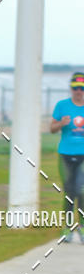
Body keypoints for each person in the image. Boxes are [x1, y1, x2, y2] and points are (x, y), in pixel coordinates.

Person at [50, 71, 84, 242]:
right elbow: (51, 128)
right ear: (71, 88)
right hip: (65, 154)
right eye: (75, 88)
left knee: (82, 191)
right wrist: (61, 124)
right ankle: (68, 228)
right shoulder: (62, 105)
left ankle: (82, 228)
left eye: (81, 88)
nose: (78, 91)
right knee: (69, 192)